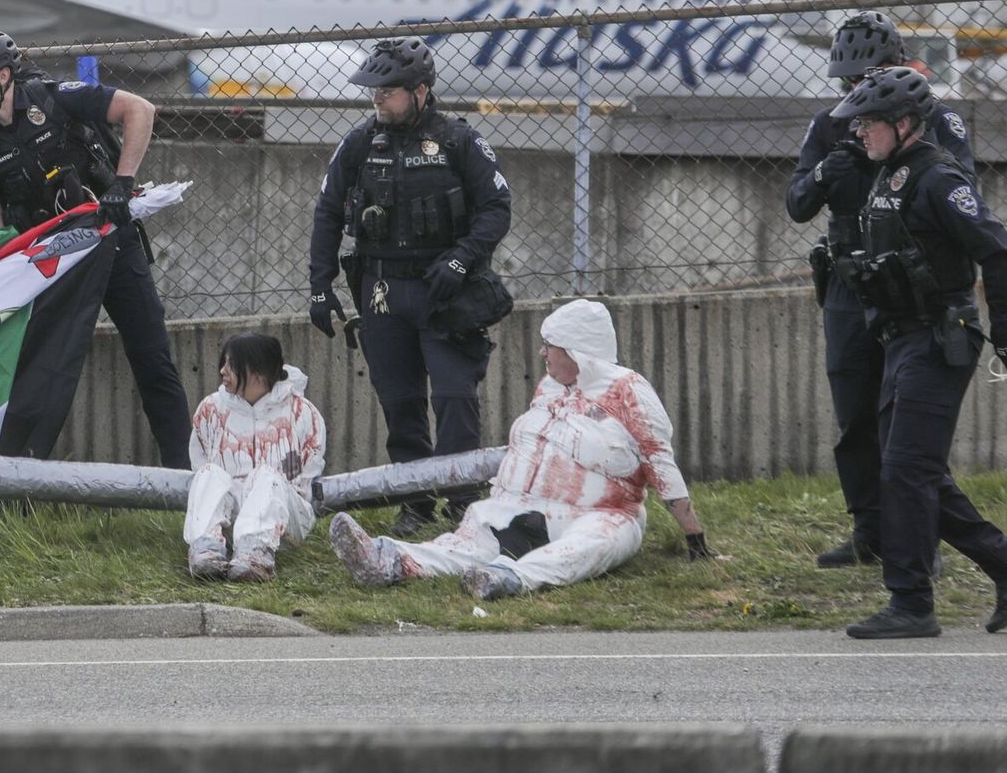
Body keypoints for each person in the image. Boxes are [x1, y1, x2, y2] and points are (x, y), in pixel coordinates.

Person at [327, 299, 709, 600]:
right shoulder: (550, 386)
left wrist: (695, 539)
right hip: (518, 508)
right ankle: (389, 559)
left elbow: (660, 461)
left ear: (578, 352)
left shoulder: (628, 390)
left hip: (600, 513)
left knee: (590, 546)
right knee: (466, 542)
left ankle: (510, 578)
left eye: (551, 346)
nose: (543, 354)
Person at [0, 29, 191, 468]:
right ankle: (20, 476)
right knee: (39, 374)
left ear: (2, 74)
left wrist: (123, 183)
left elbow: (140, 109)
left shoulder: (56, 99)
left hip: (113, 244)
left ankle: (185, 477)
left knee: (153, 361)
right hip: (51, 266)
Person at [787, 10, 975, 569]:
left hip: (909, 289)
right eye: (847, 82)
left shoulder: (938, 122)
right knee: (855, 415)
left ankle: (920, 538)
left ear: (895, 66)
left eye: (865, 78)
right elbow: (798, 204)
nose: (856, 91)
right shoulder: (831, 124)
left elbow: (962, 196)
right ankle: (870, 530)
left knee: (907, 422)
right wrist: (829, 172)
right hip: (849, 286)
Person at [826, 67, 1007, 639]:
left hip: (940, 336)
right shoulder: (888, 173)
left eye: (868, 124)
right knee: (914, 470)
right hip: (902, 338)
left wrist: (1003, 330)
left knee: (906, 470)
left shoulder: (937, 178)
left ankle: (911, 602)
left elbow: (997, 250)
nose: (858, 133)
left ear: (903, 123)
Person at [308, 36, 513, 531]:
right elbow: (328, 213)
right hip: (381, 293)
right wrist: (320, 285)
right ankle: (415, 501)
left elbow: (496, 209)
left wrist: (462, 261)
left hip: (445, 291)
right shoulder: (360, 142)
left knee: (453, 397)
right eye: (373, 91)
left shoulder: (459, 140)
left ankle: (465, 500)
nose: (377, 99)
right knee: (400, 402)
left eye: (388, 90)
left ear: (420, 90)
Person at [184, 332, 325, 582]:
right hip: (230, 516)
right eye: (223, 363)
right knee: (208, 473)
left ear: (259, 372)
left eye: (231, 365)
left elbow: (299, 478)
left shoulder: (301, 414)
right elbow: (199, 462)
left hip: (283, 517)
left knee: (268, 475)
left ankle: (256, 555)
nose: (223, 371)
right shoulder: (211, 409)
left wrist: (266, 483)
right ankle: (206, 550)